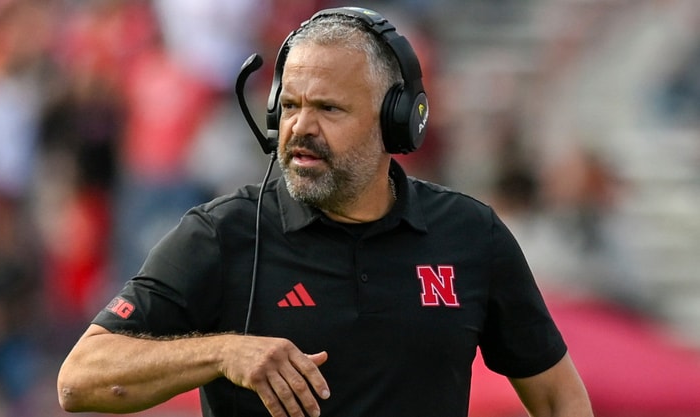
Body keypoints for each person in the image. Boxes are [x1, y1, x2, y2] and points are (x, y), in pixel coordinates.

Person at [57, 7, 594, 417]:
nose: (299, 128)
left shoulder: (472, 235)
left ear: (396, 122)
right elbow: (80, 379)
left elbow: (560, 399)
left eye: (329, 108)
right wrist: (223, 353)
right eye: (289, 106)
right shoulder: (223, 233)